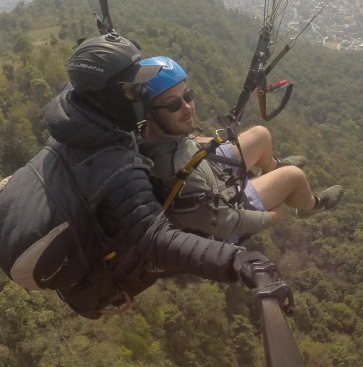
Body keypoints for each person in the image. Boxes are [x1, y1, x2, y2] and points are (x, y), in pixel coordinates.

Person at [43, 32, 284, 317]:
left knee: (262, 145)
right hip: (195, 227)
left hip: (195, 183)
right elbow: (157, 239)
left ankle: (273, 171)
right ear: (110, 96)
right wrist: (236, 261)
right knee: (289, 180)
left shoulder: (85, 119)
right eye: (134, 91)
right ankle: (295, 192)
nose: (141, 97)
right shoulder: (119, 165)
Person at [137, 56, 344, 243]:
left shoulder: (149, 131)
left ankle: (273, 169)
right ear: (149, 113)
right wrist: (269, 218)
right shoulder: (175, 174)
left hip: (205, 167)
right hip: (222, 208)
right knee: (294, 176)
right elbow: (222, 221)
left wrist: (209, 142)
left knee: (260, 135)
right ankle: (311, 204)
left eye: (188, 96)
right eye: (174, 105)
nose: (188, 107)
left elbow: (184, 143)